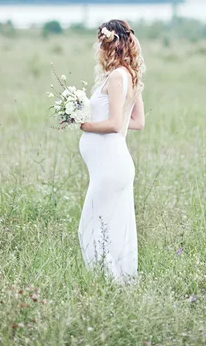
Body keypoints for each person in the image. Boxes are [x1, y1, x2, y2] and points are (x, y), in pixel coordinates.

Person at [78, 19, 146, 283]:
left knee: (91, 228)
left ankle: (110, 286)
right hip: (113, 164)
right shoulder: (130, 75)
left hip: (111, 166)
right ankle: (118, 284)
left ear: (112, 44)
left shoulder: (118, 76)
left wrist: (86, 124)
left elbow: (116, 124)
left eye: (103, 43)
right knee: (112, 230)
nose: (100, 48)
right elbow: (138, 122)